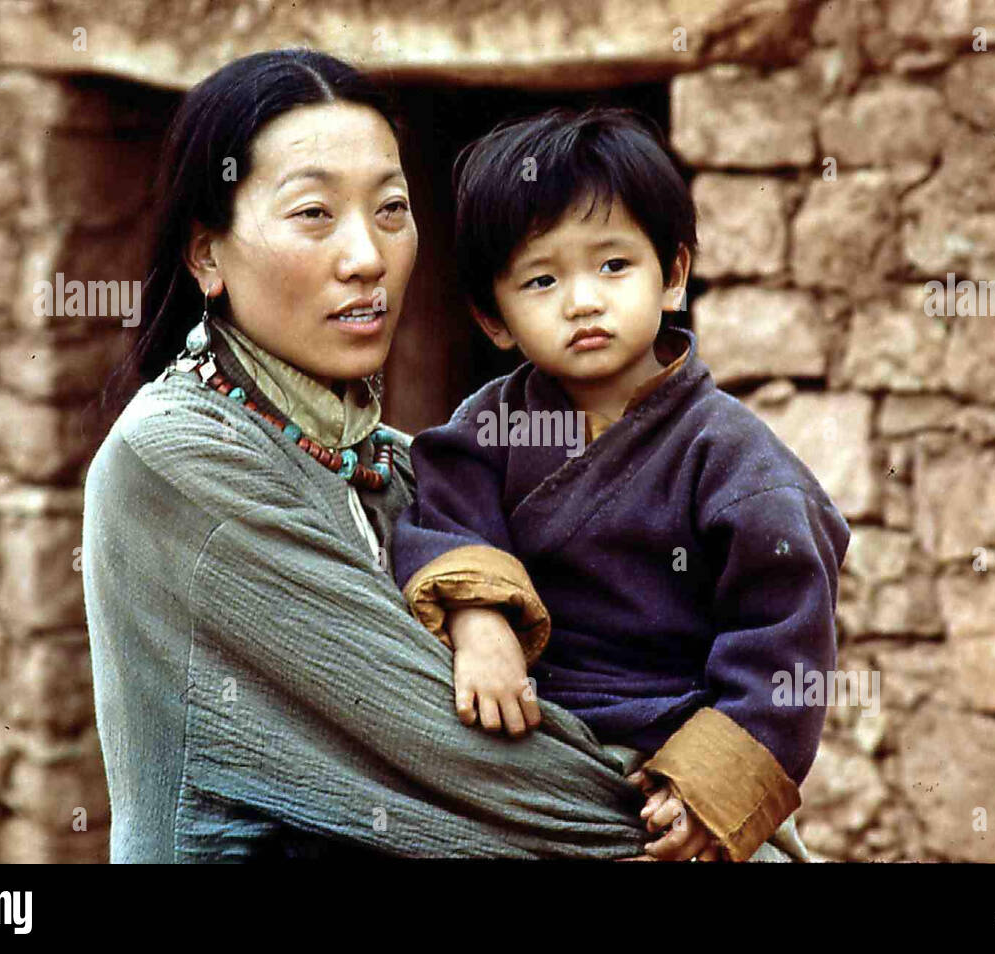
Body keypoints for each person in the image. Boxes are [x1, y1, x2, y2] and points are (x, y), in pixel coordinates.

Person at [83, 49, 669, 861]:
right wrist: (688, 819)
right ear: (206, 253)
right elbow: (460, 755)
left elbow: (618, 666)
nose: (367, 257)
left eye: (391, 209)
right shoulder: (179, 460)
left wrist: (723, 768)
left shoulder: (391, 467)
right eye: (314, 214)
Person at [392, 108, 851, 862]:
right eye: (542, 280)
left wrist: (712, 786)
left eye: (613, 266)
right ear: (494, 318)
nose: (582, 301)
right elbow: (446, 514)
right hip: (525, 735)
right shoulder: (493, 426)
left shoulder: (731, 457)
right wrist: (479, 622)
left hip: (664, 756)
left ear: (672, 276)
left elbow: (783, 638)